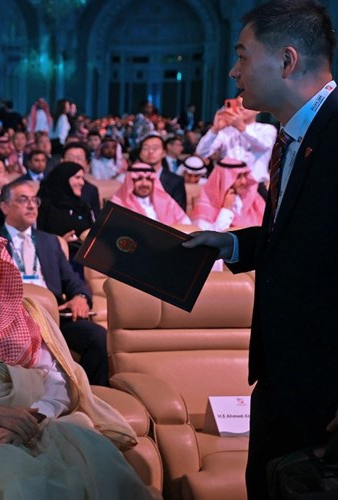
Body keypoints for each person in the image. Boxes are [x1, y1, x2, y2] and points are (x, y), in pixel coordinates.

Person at [182, 2, 338, 497]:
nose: (233, 72)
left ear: (287, 61)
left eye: (243, 56)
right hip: (283, 376)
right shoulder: (295, 135)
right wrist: (231, 242)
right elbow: (301, 238)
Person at [0, 222, 152, 500]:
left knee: (102, 463)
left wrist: (33, 418)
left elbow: (59, 377)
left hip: (44, 422)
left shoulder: (28, 313)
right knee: (21, 487)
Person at [0, 179, 109, 385]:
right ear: (4, 206)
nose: (31, 206)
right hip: (11, 318)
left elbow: (73, 281)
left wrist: (80, 297)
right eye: (23, 200)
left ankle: (88, 394)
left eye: (35, 200)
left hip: (53, 318)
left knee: (99, 338)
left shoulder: (50, 241)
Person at [195, 95, 277, 183]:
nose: (241, 107)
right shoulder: (225, 131)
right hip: (228, 184)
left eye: (246, 103)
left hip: (256, 184)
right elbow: (202, 152)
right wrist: (215, 129)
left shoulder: (267, 129)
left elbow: (264, 145)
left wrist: (241, 127)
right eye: (237, 104)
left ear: (258, 109)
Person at [191, 158, 265, 231]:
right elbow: (207, 236)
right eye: (238, 177)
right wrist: (226, 209)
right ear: (224, 179)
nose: (244, 181)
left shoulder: (251, 198)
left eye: (245, 175)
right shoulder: (205, 206)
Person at [110, 163, 191, 225]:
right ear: (130, 181)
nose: (144, 183)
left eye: (149, 179)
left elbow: (186, 224)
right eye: (138, 179)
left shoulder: (166, 201)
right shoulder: (119, 203)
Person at [137, 133, 187, 211]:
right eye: (146, 148)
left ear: (164, 153)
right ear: (140, 154)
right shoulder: (132, 179)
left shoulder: (176, 181)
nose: (150, 151)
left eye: (155, 148)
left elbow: (180, 212)